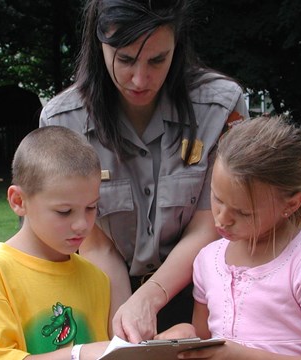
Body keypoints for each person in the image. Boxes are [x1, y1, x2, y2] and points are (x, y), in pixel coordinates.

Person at [39, 0, 250, 343]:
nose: (140, 79)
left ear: (177, 45)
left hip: (203, 294)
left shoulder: (222, 107)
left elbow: (210, 225)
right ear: (100, 45)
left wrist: (150, 297)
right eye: (124, 59)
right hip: (107, 290)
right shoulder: (63, 121)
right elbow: (96, 246)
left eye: (157, 59)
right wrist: (127, 332)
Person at [157, 116, 301, 359]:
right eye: (217, 198)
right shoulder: (208, 260)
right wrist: (186, 334)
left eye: (243, 212)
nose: (222, 219)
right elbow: (206, 342)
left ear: (291, 204)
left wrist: (243, 356)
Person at [0, 126, 111, 360]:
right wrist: (77, 354)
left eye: (91, 207)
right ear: (18, 200)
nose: (82, 224)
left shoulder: (96, 278)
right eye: (64, 211)